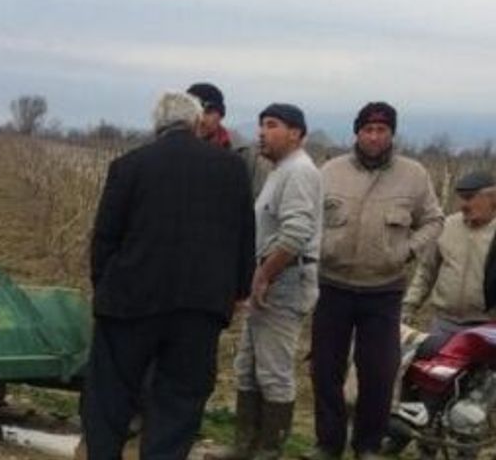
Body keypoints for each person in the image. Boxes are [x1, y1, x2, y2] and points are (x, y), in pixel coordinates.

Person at [84, 90, 256, 460]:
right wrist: (238, 290)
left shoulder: (129, 165)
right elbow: (244, 235)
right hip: (200, 306)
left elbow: (105, 237)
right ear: (196, 123)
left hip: (130, 301)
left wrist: (105, 287)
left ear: (156, 125)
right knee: (180, 399)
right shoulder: (231, 169)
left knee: (110, 395)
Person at [310, 102, 444, 460]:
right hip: (333, 284)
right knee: (325, 368)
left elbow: (433, 220)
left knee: (379, 374)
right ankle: (328, 442)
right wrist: (322, 247)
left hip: (383, 290)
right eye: (367, 129)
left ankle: (368, 445)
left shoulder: (413, 175)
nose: (373, 136)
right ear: (357, 132)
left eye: (381, 130)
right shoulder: (330, 171)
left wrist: (407, 251)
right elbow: (311, 220)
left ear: (391, 134)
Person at [211, 104, 322, 460]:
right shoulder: (279, 171)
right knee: (247, 366)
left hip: (285, 280)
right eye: (261, 125)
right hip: (270, 278)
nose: (262, 132)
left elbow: (296, 232)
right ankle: (245, 444)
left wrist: (264, 274)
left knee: (273, 369)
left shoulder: (300, 172)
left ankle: (269, 449)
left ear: (296, 133)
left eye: (272, 125)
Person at [403, 170, 496, 356]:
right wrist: (408, 306)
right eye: (461, 198)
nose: (463, 205)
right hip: (444, 325)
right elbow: (426, 271)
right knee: (431, 378)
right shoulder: (447, 226)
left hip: (486, 328)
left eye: (469, 198)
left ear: (492, 198)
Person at [188, 81, 270, 193]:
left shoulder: (245, 152)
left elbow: (257, 197)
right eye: (195, 112)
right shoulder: (167, 149)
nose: (201, 119)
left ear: (221, 115)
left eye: (208, 111)